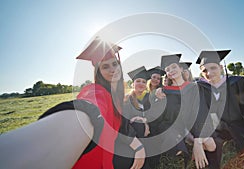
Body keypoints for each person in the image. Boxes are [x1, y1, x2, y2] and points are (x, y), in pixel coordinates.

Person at [0, 36, 146, 169]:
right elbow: (91, 104)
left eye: (114, 64)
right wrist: (83, 115)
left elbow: (119, 123)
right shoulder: (97, 92)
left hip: (109, 152)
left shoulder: (117, 96)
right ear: (98, 72)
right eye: (105, 66)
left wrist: (137, 144)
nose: (112, 70)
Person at [153, 54, 215, 169]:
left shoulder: (194, 87)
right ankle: (187, 138)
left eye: (173, 67)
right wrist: (158, 97)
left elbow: (201, 111)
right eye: (167, 70)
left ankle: (191, 140)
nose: (171, 71)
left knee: (211, 146)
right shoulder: (165, 91)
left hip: (194, 124)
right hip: (177, 126)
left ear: (181, 68)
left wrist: (197, 140)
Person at [114, 66, 152, 169]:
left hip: (140, 139)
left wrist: (144, 122)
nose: (141, 83)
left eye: (144, 82)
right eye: (138, 81)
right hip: (127, 142)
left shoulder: (141, 102)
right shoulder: (126, 99)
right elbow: (123, 124)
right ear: (132, 84)